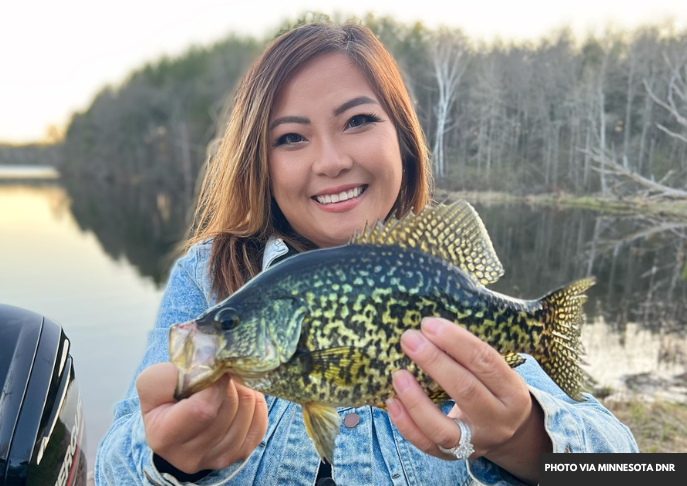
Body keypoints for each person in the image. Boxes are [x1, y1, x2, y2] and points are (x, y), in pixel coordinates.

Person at [94, 21, 638, 486]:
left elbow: (630, 467)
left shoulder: (439, 281)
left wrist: (525, 440)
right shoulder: (209, 277)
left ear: (402, 139)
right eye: (290, 137)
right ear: (260, 162)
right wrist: (166, 461)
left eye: (357, 121)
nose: (330, 161)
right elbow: (112, 465)